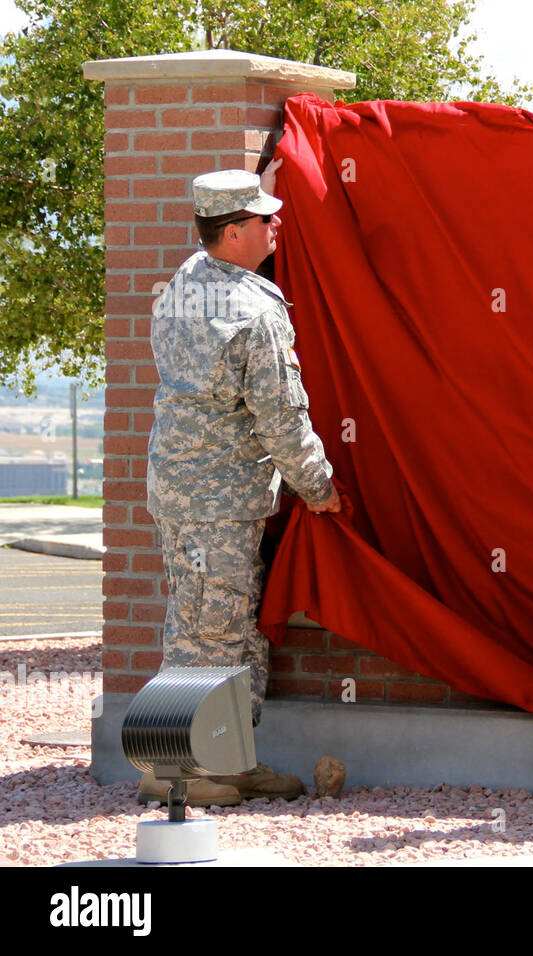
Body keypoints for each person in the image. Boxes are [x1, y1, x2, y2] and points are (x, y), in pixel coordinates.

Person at [142, 166, 341, 806]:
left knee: (215, 623)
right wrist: (319, 485)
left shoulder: (181, 284)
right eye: (263, 218)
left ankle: (228, 761)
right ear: (232, 234)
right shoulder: (253, 309)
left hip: (182, 490)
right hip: (218, 500)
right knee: (208, 634)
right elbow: (281, 416)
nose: (275, 223)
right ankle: (183, 772)